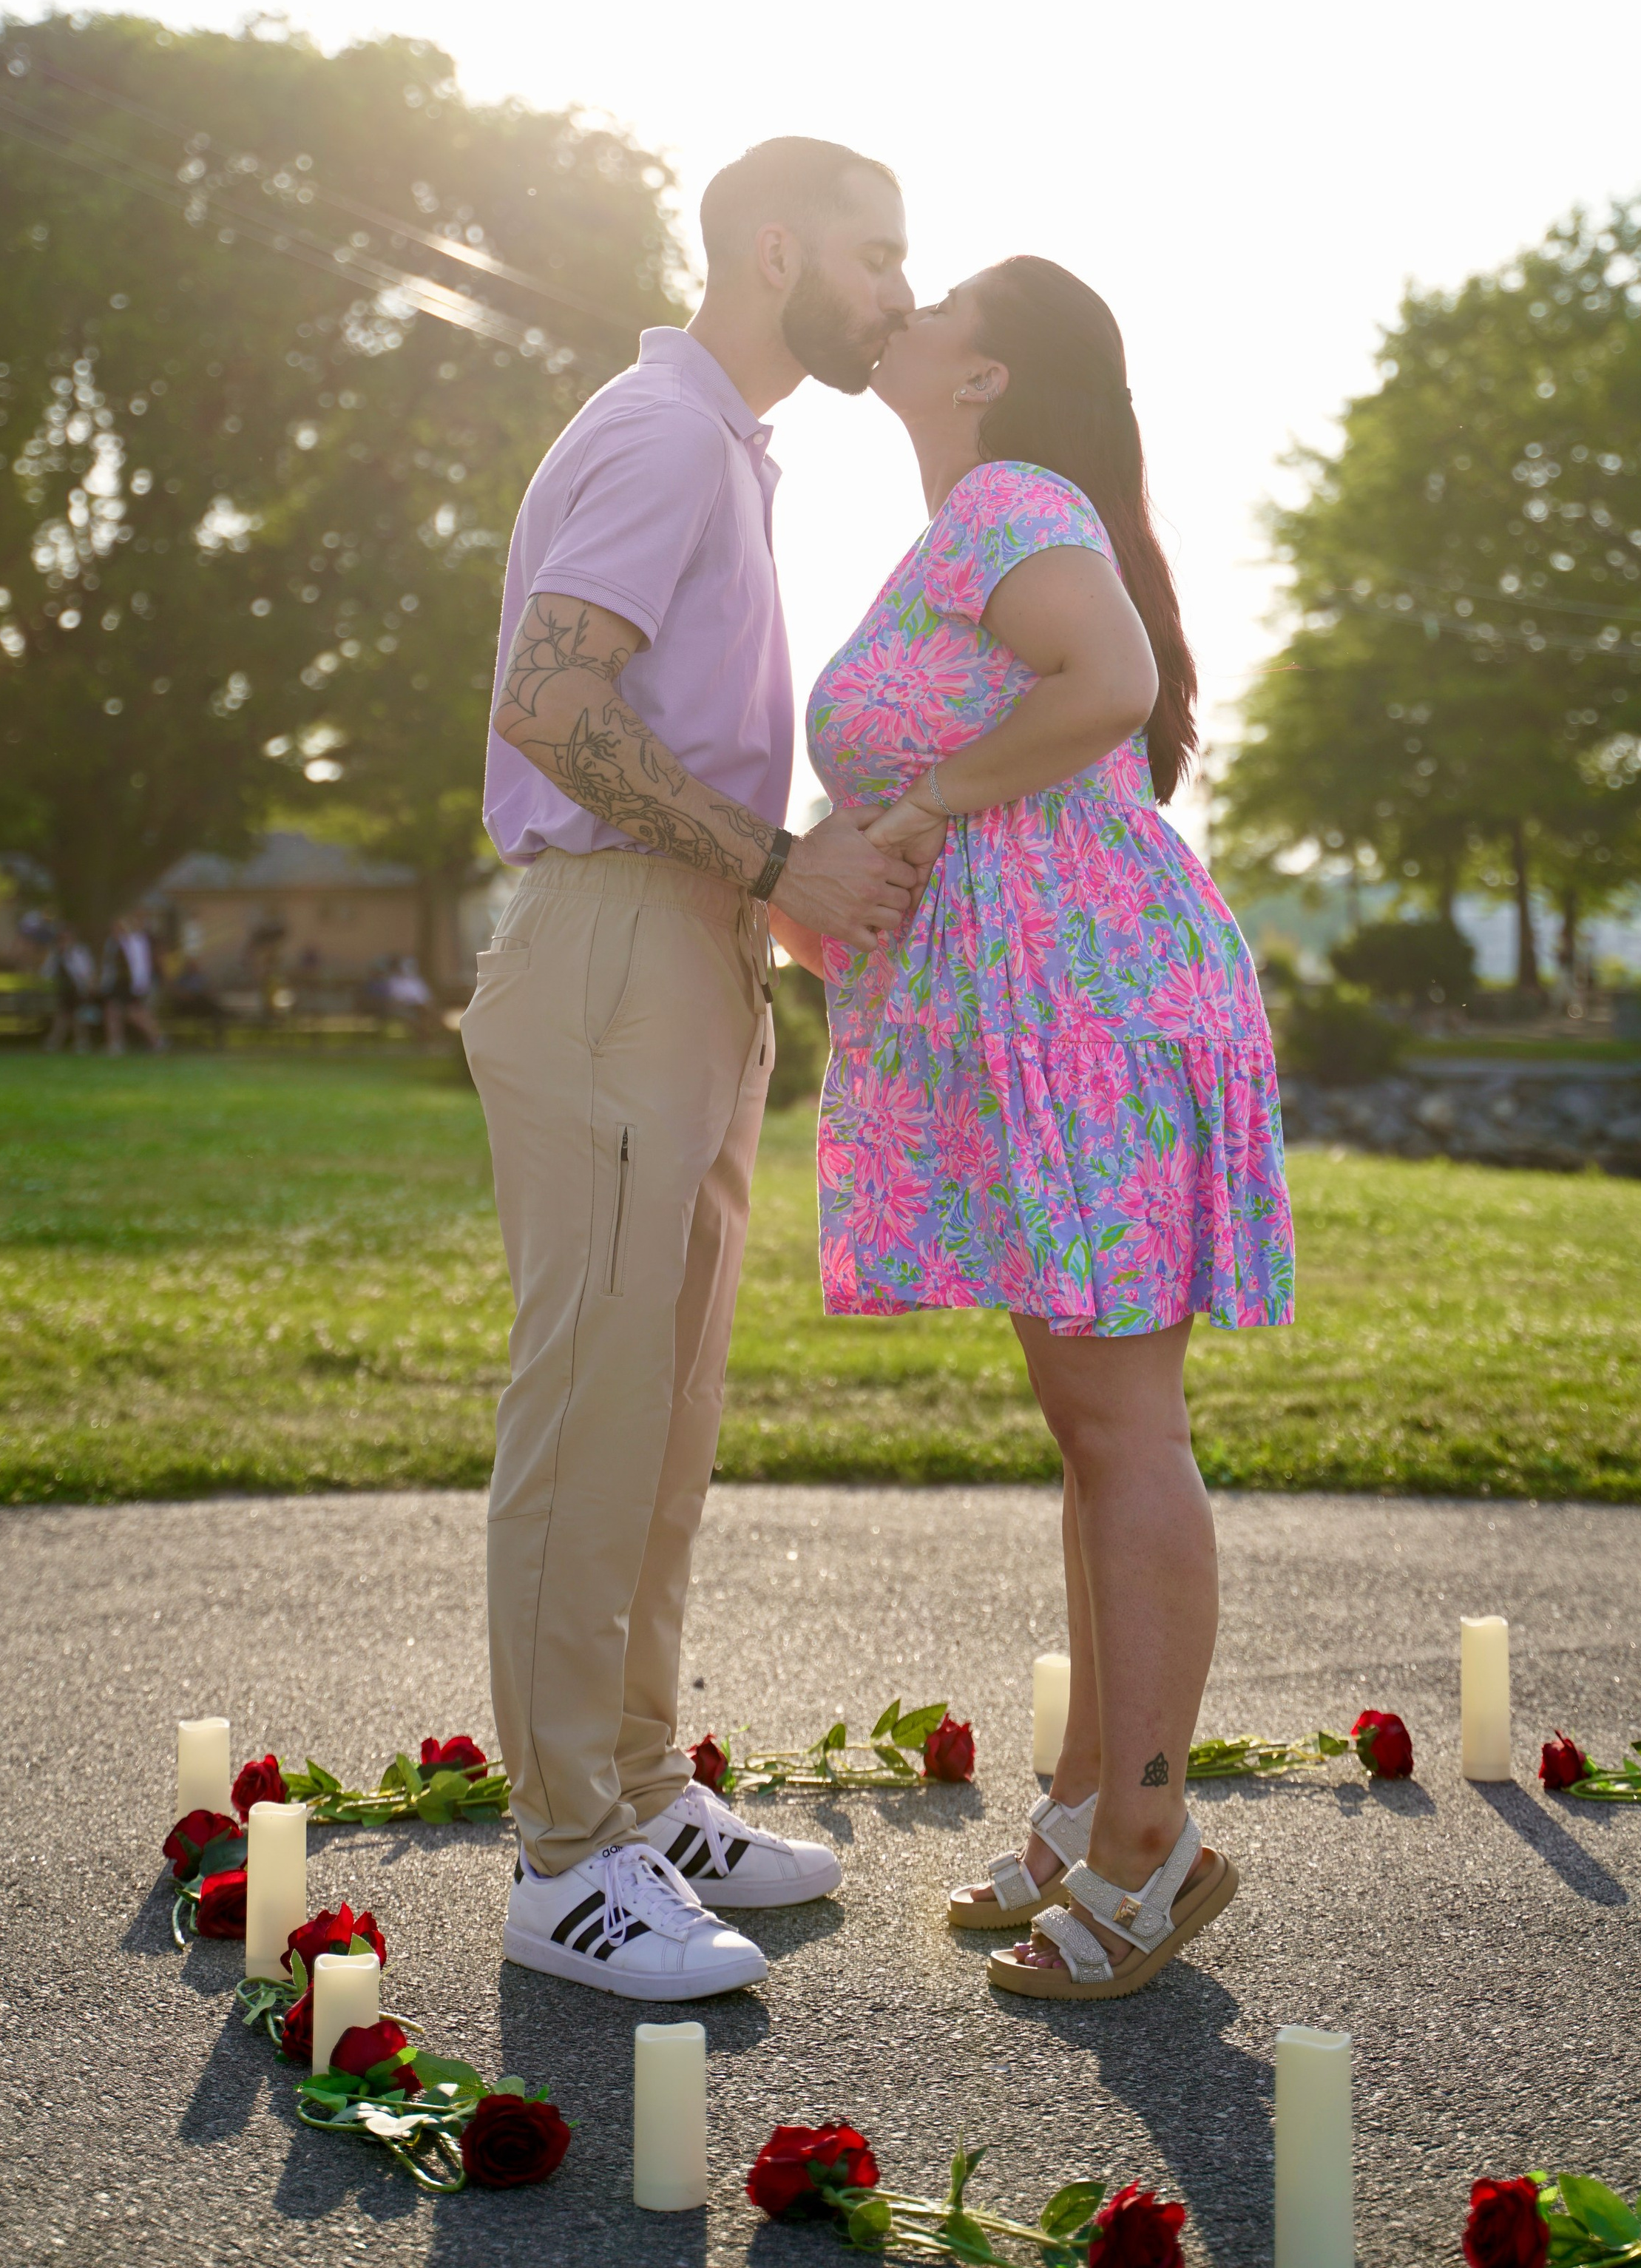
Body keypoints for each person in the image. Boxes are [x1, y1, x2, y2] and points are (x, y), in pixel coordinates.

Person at [788, 254, 1294, 2004]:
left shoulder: (1008, 497)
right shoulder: (964, 526)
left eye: (929, 300)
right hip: (1036, 1015)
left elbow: (1111, 682)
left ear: (985, 372)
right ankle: (1087, 1804)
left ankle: (1146, 1843)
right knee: (1090, 1427)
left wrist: (918, 798)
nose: (898, 310)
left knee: (1121, 1424)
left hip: (1088, 1009)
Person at [462, 136, 920, 2001]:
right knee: (591, 1405)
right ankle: (565, 1854)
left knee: (663, 1405)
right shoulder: (659, 437)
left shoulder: (725, 444)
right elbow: (547, 702)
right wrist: (772, 862)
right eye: (882, 252)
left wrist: (766, 892)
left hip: (692, 949)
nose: (900, 287)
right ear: (774, 248)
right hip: (612, 947)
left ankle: (642, 1793)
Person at [100, 911, 164, 1053]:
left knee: (136, 1014)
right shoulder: (111, 944)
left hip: (131, 983)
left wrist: (141, 984)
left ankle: (157, 1040)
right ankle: (115, 1044)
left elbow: (141, 965)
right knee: (112, 1012)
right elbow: (108, 966)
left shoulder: (136, 942)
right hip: (116, 984)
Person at [43, 929, 97, 1051]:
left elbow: (86, 970)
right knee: (62, 1016)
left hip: (77, 988)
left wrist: (89, 985)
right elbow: (47, 972)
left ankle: (82, 1042)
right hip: (63, 989)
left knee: (78, 1017)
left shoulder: (80, 952)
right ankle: (55, 1042)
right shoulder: (55, 955)